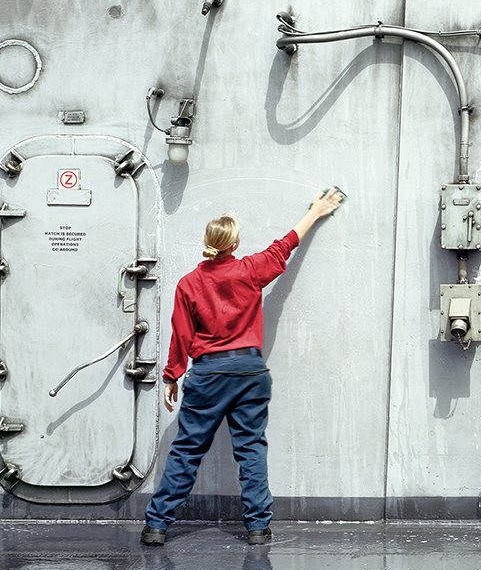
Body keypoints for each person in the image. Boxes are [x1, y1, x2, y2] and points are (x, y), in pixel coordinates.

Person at [142, 188, 342, 546]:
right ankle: (257, 528)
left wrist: (172, 375)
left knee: (187, 450)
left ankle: (157, 526)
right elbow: (285, 245)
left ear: (209, 243)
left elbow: (181, 336)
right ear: (233, 244)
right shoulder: (249, 270)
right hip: (250, 373)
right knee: (250, 449)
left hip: (208, 374)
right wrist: (316, 211)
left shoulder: (189, 284)